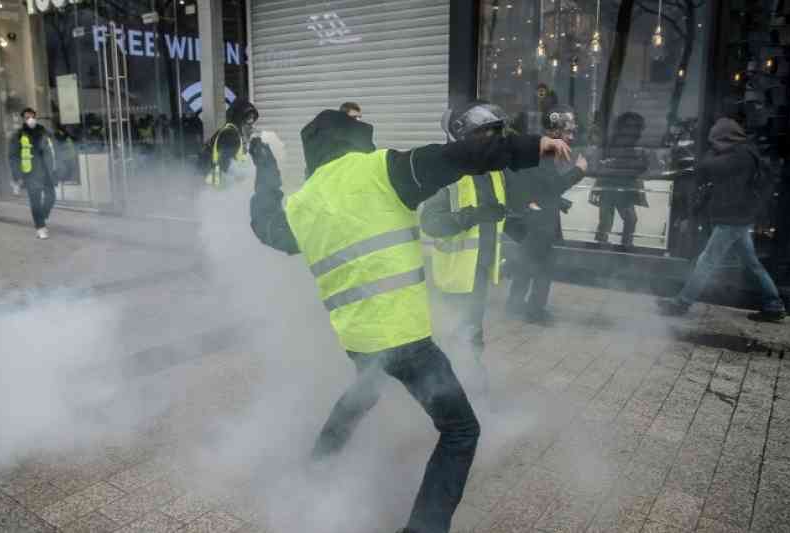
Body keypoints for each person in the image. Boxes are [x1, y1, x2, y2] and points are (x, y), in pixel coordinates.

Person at [249, 103, 571, 533]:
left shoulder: (302, 205)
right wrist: (535, 145)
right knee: (460, 431)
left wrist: (265, 167)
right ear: (354, 139)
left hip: (359, 340)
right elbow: (462, 156)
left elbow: (262, 221)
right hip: (406, 340)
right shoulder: (383, 169)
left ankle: (318, 463)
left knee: (367, 389)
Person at [419, 103, 511, 399]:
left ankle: (468, 393)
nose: (490, 140)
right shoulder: (444, 172)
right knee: (452, 337)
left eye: (492, 134)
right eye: (483, 134)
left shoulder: (491, 172)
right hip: (452, 276)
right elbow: (431, 222)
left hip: (478, 273)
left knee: (470, 336)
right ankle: (457, 398)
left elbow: (493, 213)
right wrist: (474, 214)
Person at [656, 116, 786, 323]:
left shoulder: (741, 155)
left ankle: (682, 303)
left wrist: (711, 152)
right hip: (738, 217)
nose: (712, 145)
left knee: (706, 261)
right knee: (752, 264)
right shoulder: (742, 151)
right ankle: (774, 304)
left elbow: (706, 168)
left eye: (715, 141)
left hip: (733, 218)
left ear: (726, 138)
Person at [504, 105, 589, 324]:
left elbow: (537, 186)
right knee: (543, 267)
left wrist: (555, 202)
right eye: (567, 131)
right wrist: (579, 170)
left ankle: (514, 304)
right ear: (554, 130)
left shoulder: (540, 148)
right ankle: (535, 311)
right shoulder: (545, 151)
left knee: (526, 263)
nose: (571, 136)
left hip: (534, 217)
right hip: (538, 222)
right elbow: (553, 185)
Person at [590, 112, 650, 250]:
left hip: (622, 187)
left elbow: (641, 166)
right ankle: (607, 245)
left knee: (624, 219)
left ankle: (622, 245)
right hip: (611, 186)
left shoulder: (634, 146)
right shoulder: (614, 144)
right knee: (609, 220)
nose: (636, 131)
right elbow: (601, 165)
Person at [8, 108, 57, 239]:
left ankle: (42, 216)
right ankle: (40, 227)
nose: (30, 119)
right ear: (23, 119)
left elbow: (53, 149)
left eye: (32, 116)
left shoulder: (43, 131)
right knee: (35, 201)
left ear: (36, 116)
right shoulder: (19, 134)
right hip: (30, 173)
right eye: (27, 117)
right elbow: (13, 156)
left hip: (46, 170)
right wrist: (17, 176)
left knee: (51, 197)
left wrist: (56, 168)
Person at [201, 99, 259, 190]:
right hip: (215, 188)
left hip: (216, 186)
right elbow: (225, 164)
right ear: (239, 119)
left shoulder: (233, 133)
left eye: (253, 120)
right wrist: (245, 175)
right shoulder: (230, 135)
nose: (252, 124)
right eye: (249, 119)